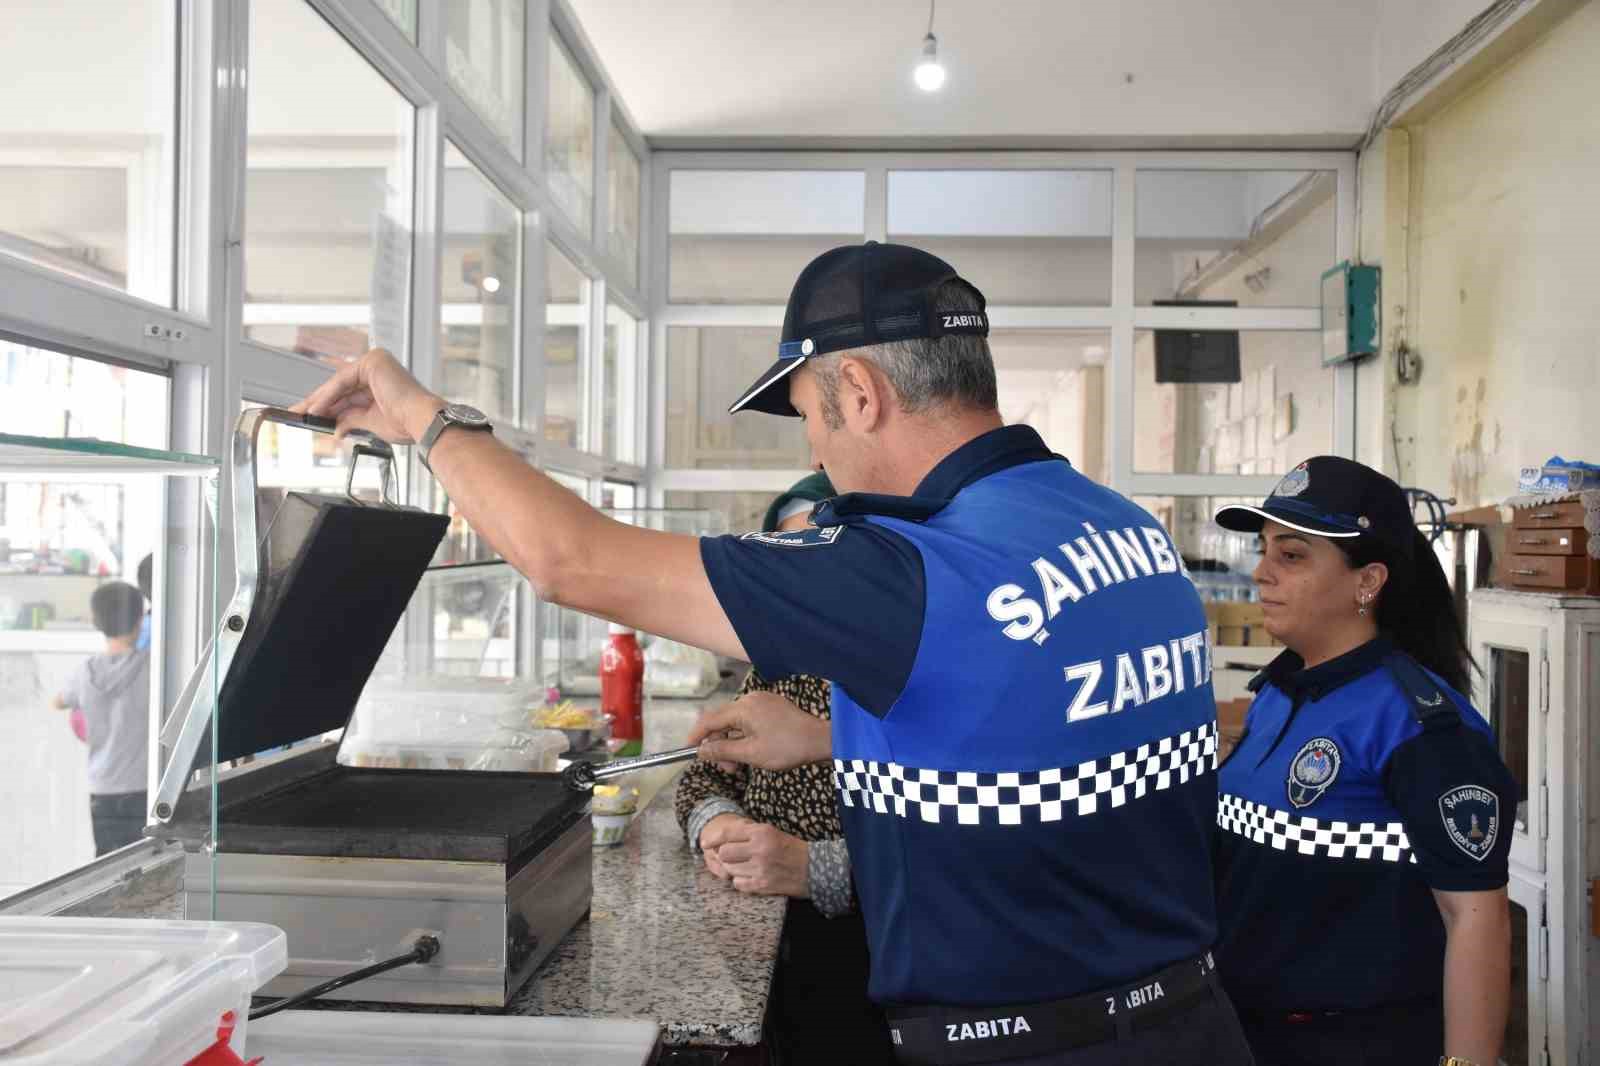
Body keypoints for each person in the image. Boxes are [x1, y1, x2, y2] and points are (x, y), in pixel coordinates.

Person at [296, 241, 1251, 1064]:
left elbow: (570, 561)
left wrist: (424, 415)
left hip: (1025, 1043)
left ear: (862, 395)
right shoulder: (1120, 530)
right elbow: (1044, 728)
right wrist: (832, 734)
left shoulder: (910, 561)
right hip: (1192, 1022)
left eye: (808, 415)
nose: (819, 449)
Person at [1210, 456, 1515, 1066]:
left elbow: (1475, 919)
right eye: (1264, 548)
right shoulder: (1278, 692)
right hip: (1248, 1031)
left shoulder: (1419, 728)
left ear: (1367, 581)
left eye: (1291, 555)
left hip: (1358, 1042)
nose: (1261, 573)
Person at [674, 472, 894, 1066]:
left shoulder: (897, 677)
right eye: (788, 567)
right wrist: (718, 825)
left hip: (874, 953)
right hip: (772, 929)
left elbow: (952, 847)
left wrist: (817, 869)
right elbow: (706, 771)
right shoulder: (776, 668)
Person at [51, 581, 151, 856]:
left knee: (107, 863)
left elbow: (57, 701)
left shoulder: (84, 673)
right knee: (143, 862)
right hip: (143, 786)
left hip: (103, 787)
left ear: (96, 621)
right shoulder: (151, 667)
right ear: (140, 619)